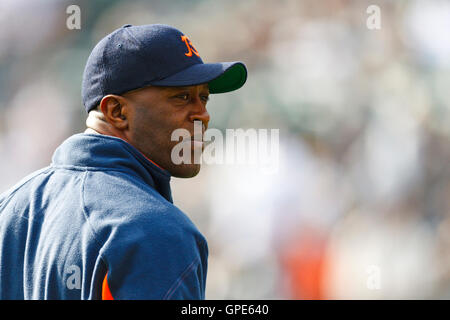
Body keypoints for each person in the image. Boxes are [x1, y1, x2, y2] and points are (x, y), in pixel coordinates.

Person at [0, 24, 247, 299]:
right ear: (116, 111)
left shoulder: (9, 208)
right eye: (182, 97)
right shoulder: (155, 231)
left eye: (203, 98)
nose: (203, 115)